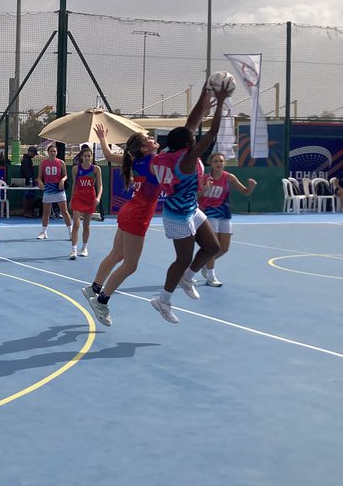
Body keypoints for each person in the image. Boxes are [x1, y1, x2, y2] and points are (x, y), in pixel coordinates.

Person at [147, 77, 234, 324]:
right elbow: (212, 133)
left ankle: (188, 277)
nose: (195, 138)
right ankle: (162, 301)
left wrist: (205, 95)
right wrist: (220, 103)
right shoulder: (185, 160)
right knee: (183, 258)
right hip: (177, 215)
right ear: (188, 145)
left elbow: (192, 122)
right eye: (193, 139)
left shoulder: (169, 152)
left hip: (190, 208)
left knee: (213, 247)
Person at [83, 125, 161, 327]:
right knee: (130, 265)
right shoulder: (153, 161)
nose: (153, 138)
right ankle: (101, 301)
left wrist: (102, 138)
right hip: (138, 215)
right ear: (144, 148)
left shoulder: (135, 159)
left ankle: (94, 288)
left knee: (116, 255)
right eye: (149, 138)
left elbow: (109, 155)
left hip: (128, 211)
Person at [198, 152, 257, 287]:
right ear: (211, 164)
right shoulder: (205, 178)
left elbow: (245, 192)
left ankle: (203, 264)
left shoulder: (229, 177)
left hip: (225, 214)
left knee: (224, 248)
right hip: (210, 213)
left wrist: (251, 187)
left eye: (221, 161)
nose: (219, 163)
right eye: (216, 161)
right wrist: (205, 189)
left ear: (224, 163)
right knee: (213, 246)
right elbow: (197, 195)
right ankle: (211, 276)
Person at [68, 145, 102, 260]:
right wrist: (72, 199)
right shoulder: (76, 169)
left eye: (89, 156)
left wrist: (98, 197)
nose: (87, 158)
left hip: (90, 198)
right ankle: (73, 250)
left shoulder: (96, 169)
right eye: (85, 156)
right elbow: (74, 185)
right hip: (78, 197)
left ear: (91, 157)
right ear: (81, 157)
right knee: (76, 224)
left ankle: (84, 247)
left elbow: (100, 186)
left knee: (86, 225)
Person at [36, 144, 72, 240]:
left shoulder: (61, 163)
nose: (53, 153)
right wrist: (39, 182)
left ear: (57, 153)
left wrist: (62, 180)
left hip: (59, 189)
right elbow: (39, 177)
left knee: (64, 211)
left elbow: (65, 175)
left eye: (54, 151)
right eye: (51, 151)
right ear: (48, 152)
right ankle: (44, 232)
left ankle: (70, 232)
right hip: (48, 189)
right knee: (46, 212)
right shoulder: (43, 163)